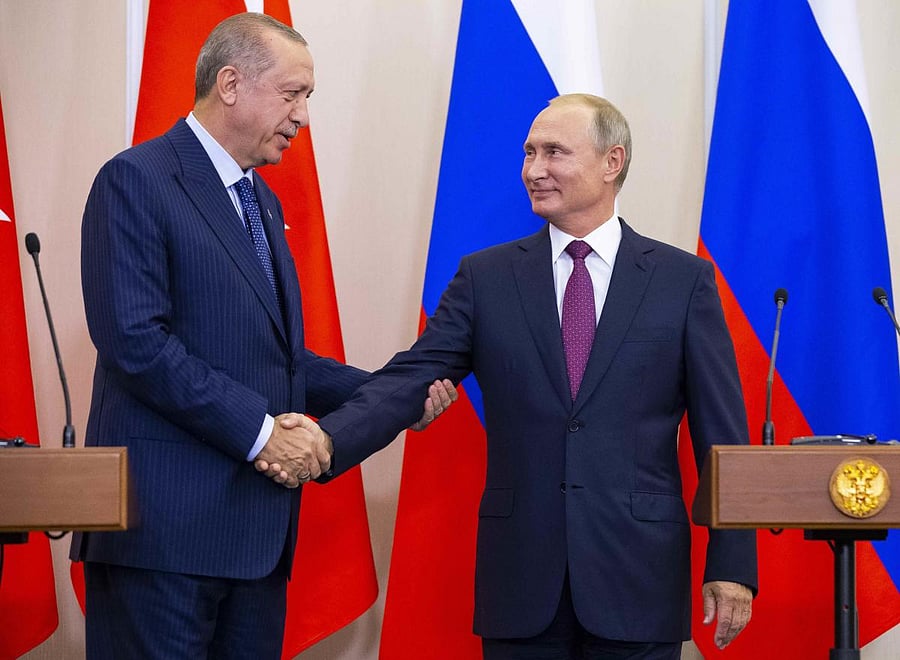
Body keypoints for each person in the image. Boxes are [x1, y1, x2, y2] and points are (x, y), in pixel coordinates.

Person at [262, 93, 758, 658]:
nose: (534, 170)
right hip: (523, 582)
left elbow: (722, 434)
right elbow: (411, 377)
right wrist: (327, 442)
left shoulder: (682, 280)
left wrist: (733, 561)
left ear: (611, 163)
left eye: (554, 152)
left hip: (638, 578)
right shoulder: (486, 278)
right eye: (528, 153)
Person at [72, 12, 454, 659]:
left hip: (253, 541)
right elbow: (138, 343)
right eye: (292, 93)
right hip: (163, 538)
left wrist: (393, 397)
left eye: (308, 97)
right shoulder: (136, 180)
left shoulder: (262, 202)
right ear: (230, 84)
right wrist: (263, 432)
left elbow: (280, 361)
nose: (303, 114)